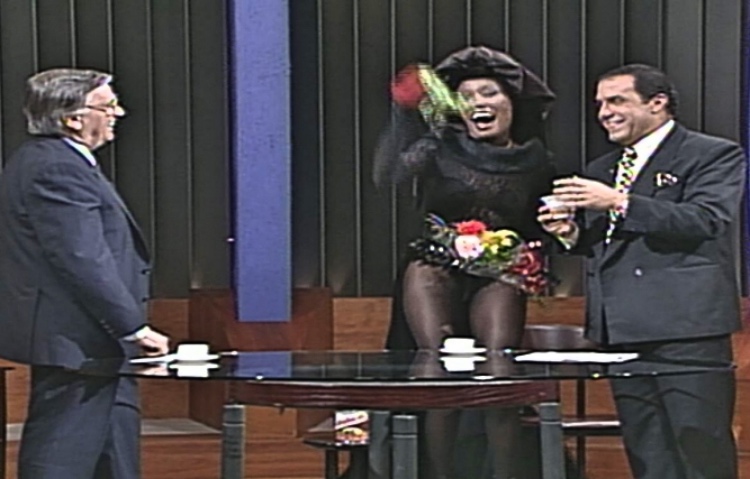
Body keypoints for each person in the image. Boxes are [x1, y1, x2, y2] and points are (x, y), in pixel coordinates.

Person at [538, 63, 744, 479]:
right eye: (600, 104)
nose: (605, 113)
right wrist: (569, 234)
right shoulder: (602, 170)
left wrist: (619, 201)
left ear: (657, 103)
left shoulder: (711, 154)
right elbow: (606, 244)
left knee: (698, 444)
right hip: (623, 330)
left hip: (686, 329)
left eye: (617, 101)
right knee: (647, 449)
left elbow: (705, 219)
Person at [374, 46, 556, 479]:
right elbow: (388, 176)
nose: (478, 103)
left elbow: (546, 224)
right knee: (439, 371)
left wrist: (536, 254)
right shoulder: (440, 147)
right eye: (468, 96)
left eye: (489, 93)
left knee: (500, 372)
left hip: (499, 271)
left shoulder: (536, 160)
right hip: (435, 265)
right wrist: (406, 116)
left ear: (511, 103)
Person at [0, 68, 171, 479]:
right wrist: (133, 326)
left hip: (98, 343)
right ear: (73, 118)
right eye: (108, 106)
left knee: (114, 454)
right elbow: (81, 256)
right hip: (78, 341)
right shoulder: (55, 168)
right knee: (61, 453)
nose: (119, 113)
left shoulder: (60, 162)